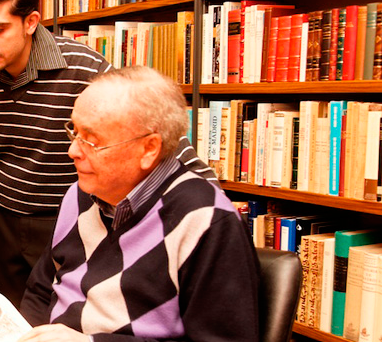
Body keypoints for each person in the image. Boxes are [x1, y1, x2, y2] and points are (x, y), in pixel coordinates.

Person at [0, 0, 217, 307]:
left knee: (65, 319)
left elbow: (157, 141)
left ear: (31, 22)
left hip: (73, 220)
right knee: (2, 318)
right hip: (3, 217)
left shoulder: (84, 68)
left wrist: (214, 216)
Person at [19, 67, 259, 341]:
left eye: (91, 139)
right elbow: (40, 291)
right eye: (74, 131)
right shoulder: (80, 193)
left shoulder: (206, 220)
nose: (73, 150)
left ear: (149, 149)